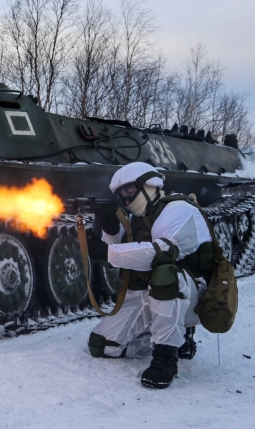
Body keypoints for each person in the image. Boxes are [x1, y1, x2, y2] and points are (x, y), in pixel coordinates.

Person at [86, 162, 214, 389]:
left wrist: (107, 251)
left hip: (190, 295)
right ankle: (175, 340)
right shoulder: (137, 218)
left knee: (165, 274)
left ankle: (166, 355)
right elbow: (123, 260)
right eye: (120, 194)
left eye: (129, 190)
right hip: (147, 292)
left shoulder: (179, 210)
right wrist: (111, 231)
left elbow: (161, 253)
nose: (125, 199)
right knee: (102, 345)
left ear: (149, 184)